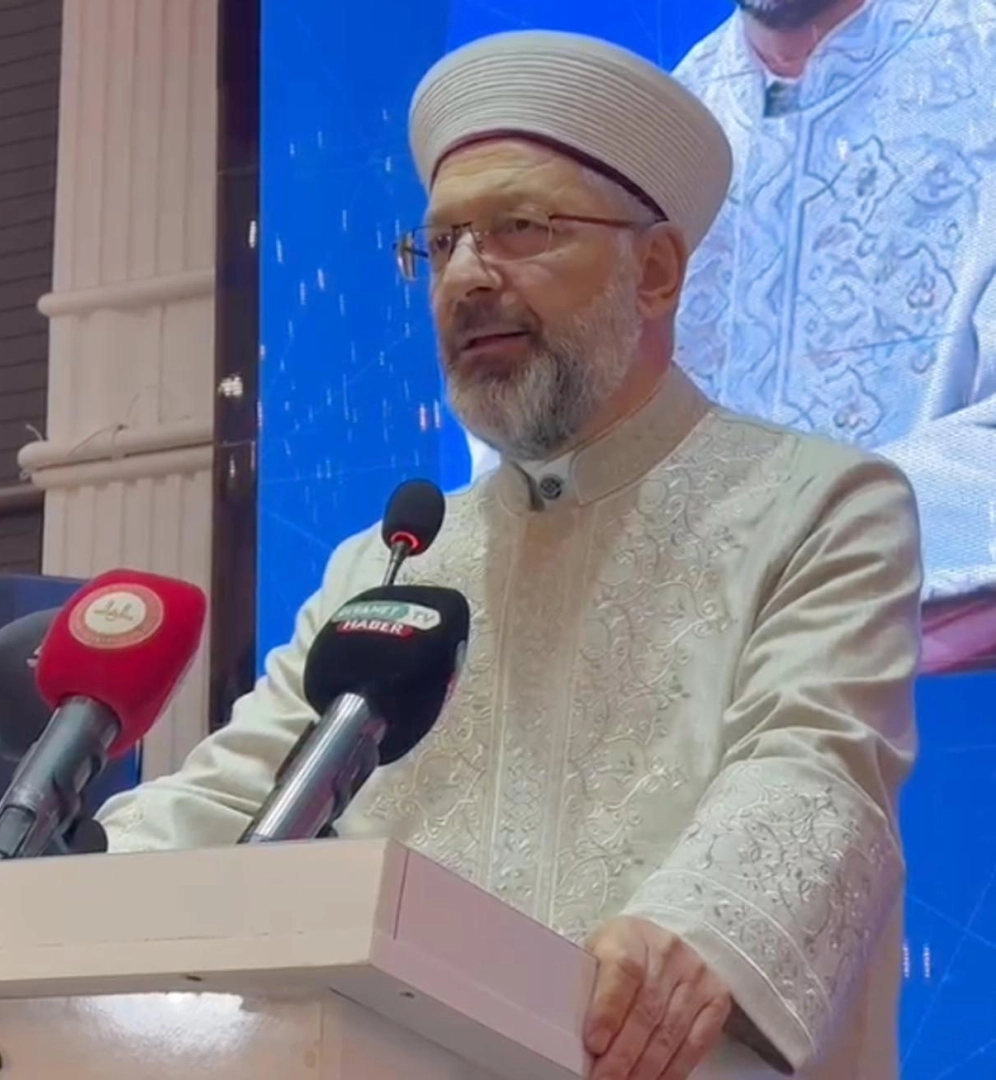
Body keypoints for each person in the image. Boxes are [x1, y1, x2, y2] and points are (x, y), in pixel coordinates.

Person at [98, 31, 921, 1080]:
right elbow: (242, 793)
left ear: (657, 270)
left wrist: (693, 932)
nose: (466, 278)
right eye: (441, 244)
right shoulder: (392, 562)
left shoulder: (817, 504)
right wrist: (50, 885)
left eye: (519, 229)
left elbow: (815, 764)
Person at [671, 0, 996, 601]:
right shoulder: (669, 128)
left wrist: (799, 524)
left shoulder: (982, 57)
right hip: (689, 636)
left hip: (939, 632)